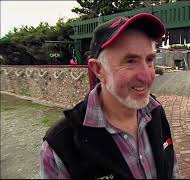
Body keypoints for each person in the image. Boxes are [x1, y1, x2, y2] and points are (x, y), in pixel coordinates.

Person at [40, 13, 180, 179]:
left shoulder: (155, 111)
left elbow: (172, 170)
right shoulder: (61, 146)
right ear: (98, 69)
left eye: (149, 60)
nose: (147, 75)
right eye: (130, 61)